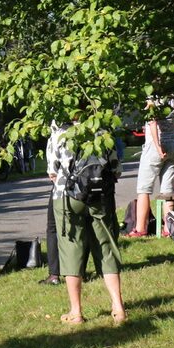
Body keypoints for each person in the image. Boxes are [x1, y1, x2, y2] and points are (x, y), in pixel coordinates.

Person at [47, 126, 126, 325]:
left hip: (68, 196)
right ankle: (118, 308)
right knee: (106, 247)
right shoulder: (102, 128)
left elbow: (52, 172)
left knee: (71, 249)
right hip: (101, 196)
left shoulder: (59, 131)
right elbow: (116, 170)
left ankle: (76, 312)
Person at [123, 99, 174, 240]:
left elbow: (153, 122)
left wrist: (158, 146)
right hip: (173, 143)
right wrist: (173, 136)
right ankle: (168, 228)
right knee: (167, 189)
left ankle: (140, 229)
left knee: (144, 189)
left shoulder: (153, 98)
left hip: (155, 146)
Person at [41, 122, 67, 287]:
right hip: (89, 186)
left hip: (62, 186)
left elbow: (53, 170)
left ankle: (54, 273)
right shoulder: (96, 129)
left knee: (53, 227)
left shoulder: (59, 132)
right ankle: (80, 271)